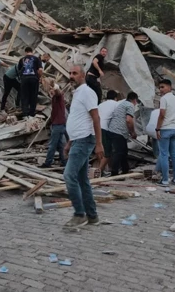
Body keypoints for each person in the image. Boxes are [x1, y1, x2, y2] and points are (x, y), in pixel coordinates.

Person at [62, 64, 104, 229]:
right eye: (70, 73)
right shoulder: (77, 94)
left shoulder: (87, 92)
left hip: (85, 140)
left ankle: (79, 214)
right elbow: (79, 120)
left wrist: (99, 144)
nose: (71, 76)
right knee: (82, 180)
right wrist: (69, 143)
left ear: (83, 76)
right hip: (77, 140)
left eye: (75, 73)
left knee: (68, 176)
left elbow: (96, 118)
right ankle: (92, 216)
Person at [155, 79, 175, 186]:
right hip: (174, 129)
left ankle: (165, 180)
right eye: (160, 87)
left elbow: (162, 114)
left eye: (163, 87)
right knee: (174, 155)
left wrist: (157, 129)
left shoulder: (164, 99)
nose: (160, 89)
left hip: (165, 129)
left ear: (169, 87)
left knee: (164, 154)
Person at [107, 92, 139, 176]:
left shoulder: (122, 104)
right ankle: (114, 172)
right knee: (119, 152)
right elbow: (129, 120)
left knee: (124, 151)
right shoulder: (130, 105)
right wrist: (133, 132)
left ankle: (125, 169)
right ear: (135, 100)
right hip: (119, 131)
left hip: (113, 130)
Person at [41, 84, 67, 168]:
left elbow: (58, 92)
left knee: (52, 144)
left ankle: (48, 162)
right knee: (60, 145)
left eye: (51, 89)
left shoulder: (59, 96)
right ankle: (64, 161)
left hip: (58, 124)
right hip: (58, 123)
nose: (50, 91)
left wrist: (55, 88)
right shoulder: (54, 98)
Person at [97, 90, 119, 175]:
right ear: (115, 98)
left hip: (95, 128)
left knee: (100, 150)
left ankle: (105, 170)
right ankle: (99, 171)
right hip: (104, 128)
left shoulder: (101, 105)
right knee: (107, 152)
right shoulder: (116, 104)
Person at [17, 47, 43, 118]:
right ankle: (31, 113)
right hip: (34, 79)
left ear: (25, 52)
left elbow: (19, 70)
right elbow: (40, 70)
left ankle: (25, 114)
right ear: (32, 51)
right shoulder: (37, 59)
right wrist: (39, 77)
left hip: (24, 79)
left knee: (24, 96)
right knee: (33, 96)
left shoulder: (22, 59)